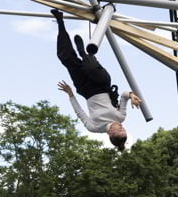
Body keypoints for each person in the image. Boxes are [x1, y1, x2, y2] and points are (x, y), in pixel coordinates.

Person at [51, 9, 141, 151]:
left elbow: (80, 112)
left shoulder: (94, 128)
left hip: (85, 89)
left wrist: (70, 94)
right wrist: (132, 96)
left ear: (111, 134)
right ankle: (83, 52)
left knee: (66, 57)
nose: (122, 126)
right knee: (91, 69)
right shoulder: (120, 117)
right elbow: (123, 96)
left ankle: (60, 20)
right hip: (102, 85)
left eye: (120, 130)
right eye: (124, 129)